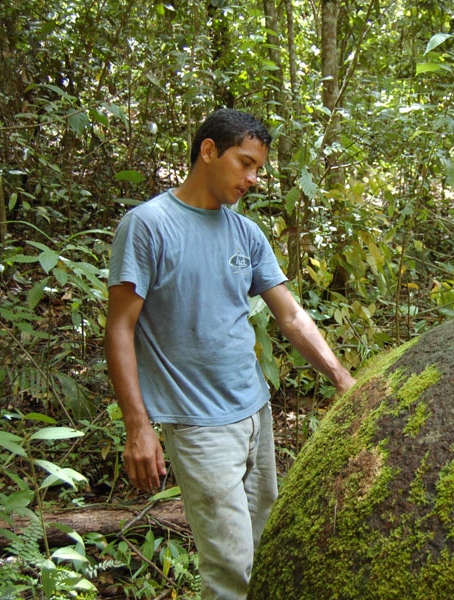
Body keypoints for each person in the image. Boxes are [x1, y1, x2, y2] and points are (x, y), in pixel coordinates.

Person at [105, 108, 356, 600]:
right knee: (231, 570)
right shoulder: (148, 226)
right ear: (208, 151)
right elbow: (119, 328)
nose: (254, 179)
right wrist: (138, 426)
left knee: (265, 550)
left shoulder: (246, 233)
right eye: (245, 164)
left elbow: (292, 316)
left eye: (258, 168)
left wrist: (343, 379)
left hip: (255, 412)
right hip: (199, 426)